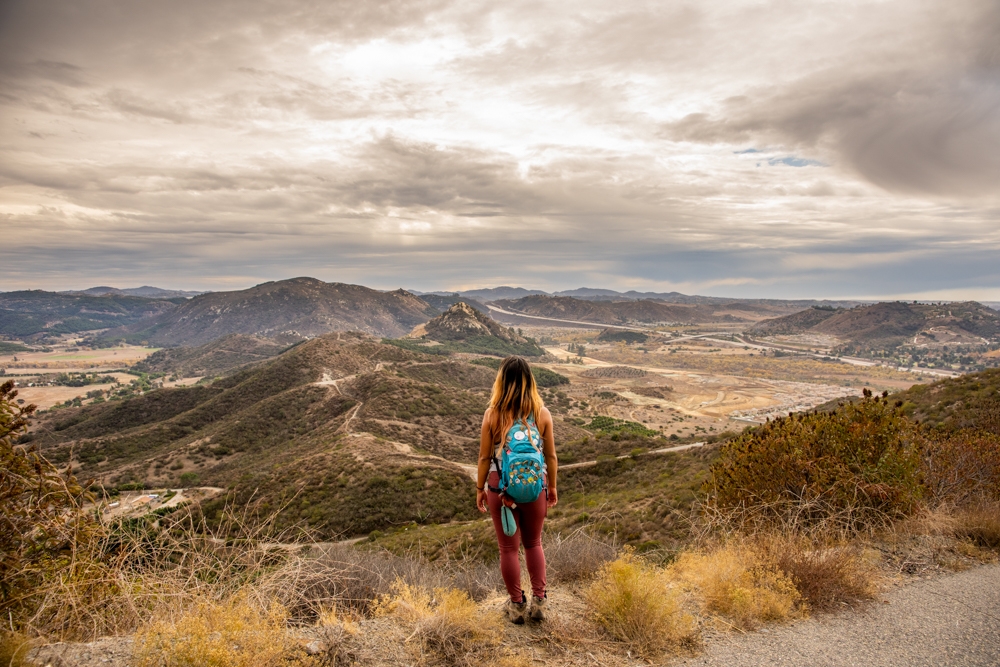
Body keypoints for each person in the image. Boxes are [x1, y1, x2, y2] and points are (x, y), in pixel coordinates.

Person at [476, 356, 558, 624]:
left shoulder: (493, 415)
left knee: (508, 549)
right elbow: (552, 457)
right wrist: (552, 487)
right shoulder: (542, 414)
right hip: (536, 488)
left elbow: (484, 459)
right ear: (529, 381)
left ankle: (516, 606)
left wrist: (480, 489)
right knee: (534, 544)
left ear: (501, 382)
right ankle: (539, 602)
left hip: (500, 490)